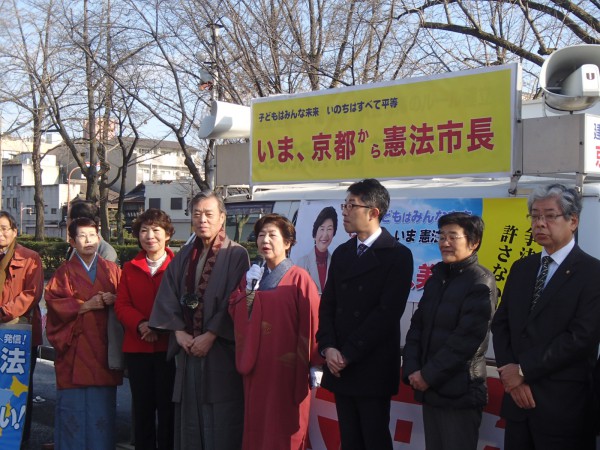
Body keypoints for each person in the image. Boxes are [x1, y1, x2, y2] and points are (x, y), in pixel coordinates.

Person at [491, 184, 600, 450]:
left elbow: (581, 338)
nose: (540, 223)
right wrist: (511, 376)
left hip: (562, 406)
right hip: (518, 404)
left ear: (572, 221)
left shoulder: (592, 273)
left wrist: (524, 370)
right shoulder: (522, 267)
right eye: (535, 216)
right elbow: (501, 323)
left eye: (549, 216)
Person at [316, 178, 414, 450]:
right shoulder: (343, 253)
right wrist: (328, 347)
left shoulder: (397, 255)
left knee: (374, 438)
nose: (344, 211)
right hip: (340, 365)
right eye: (344, 204)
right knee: (349, 439)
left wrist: (348, 352)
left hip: (371, 364)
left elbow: (387, 313)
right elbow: (329, 305)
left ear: (373, 212)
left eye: (351, 205)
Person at [149, 191, 249, 450]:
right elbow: (168, 293)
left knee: (221, 416)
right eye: (196, 214)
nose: (202, 219)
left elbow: (235, 298)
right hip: (188, 348)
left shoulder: (236, 255)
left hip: (219, 352)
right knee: (189, 417)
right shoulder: (184, 255)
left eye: (208, 214)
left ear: (222, 218)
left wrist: (212, 334)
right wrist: (179, 332)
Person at [402, 212, 497, 450]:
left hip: (460, 391)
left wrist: (427, 375)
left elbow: (466, 341)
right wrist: (412, 368)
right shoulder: (437, 278)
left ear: (473, 243)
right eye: (442, 236)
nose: (445, 242)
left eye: (453, 237)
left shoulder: (480, 282)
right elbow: (417, 326)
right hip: (431, 387)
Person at [229, 213, 322, 449]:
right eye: (261, 235)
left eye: (272, 235)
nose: (265, 240)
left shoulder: (300, 278)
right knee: (257, 422)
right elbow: (236, 314)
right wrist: (248, 291)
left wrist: (315, 362)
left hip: (287, 367)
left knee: (286, 425)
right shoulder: (252, 277)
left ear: (288, 243)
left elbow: (312, 322)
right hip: (257, 365)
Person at [45, 217, 123, 450]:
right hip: (75, 351)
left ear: (99, 238)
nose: (88, 241)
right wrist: (85, 305)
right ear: (71, 241)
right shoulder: (64, 273)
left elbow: (127, 303)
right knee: (73, 412)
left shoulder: (112, 270)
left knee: (102, 414)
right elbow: (54, 304)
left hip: (102, 351)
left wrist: (115, 300)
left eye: (92, 235)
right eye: (82, 236)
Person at [115, 209, 176, 450]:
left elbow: (180, 303)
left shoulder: (177, 266)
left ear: (167, 235)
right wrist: (141, 324)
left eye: (156, 230)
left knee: (168, 409)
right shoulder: (129, 268)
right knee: (142, 409)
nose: (149, 236)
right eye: (143, 230)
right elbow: (122, 304)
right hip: (137, 347)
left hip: (168, 348)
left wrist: (157, 327)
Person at [0, 211, 44, 442]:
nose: (1, 233)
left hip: (19, 334)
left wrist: (4, 312)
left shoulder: (30, 257)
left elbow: (32, 294)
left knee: (19, 389)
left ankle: (19, 440)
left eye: (5, 228)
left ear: (15, 231)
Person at [297, 206, 338, 294]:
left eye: (329, 229)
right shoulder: (302, 263)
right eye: (322, 229)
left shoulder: (336, 263)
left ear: (333, 233)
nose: (325, 234)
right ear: (315, 233)